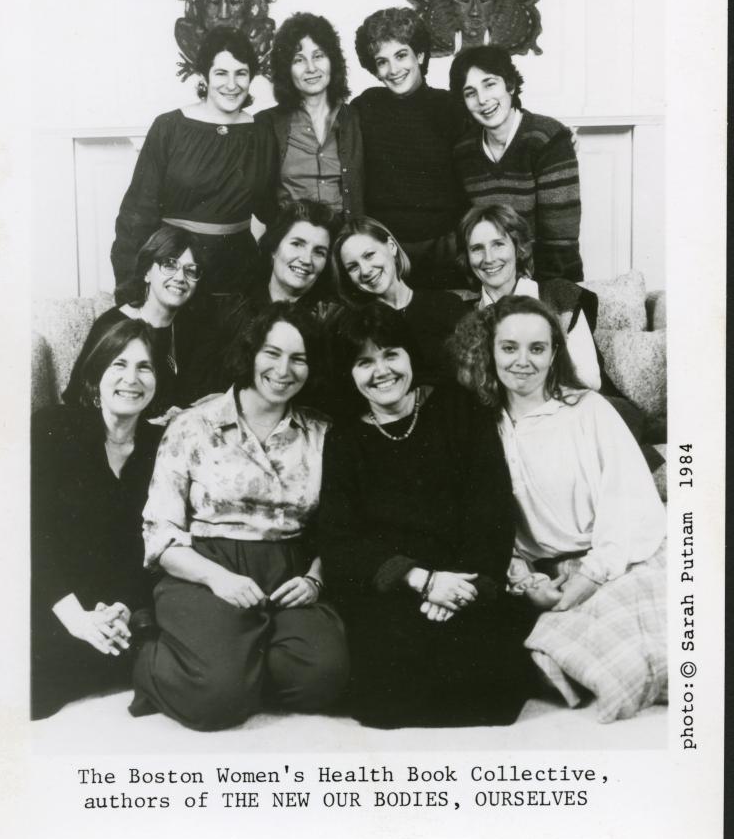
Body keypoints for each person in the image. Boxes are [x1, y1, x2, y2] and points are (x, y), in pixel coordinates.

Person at [130, 303, 349, 730]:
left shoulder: (322, 432)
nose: (284, 369)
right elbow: (160, 532)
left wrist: (315, 578)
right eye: (272, 353)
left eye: (299, 358)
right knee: (215, 700)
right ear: (249, 352)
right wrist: (218, 579)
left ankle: (237, 664)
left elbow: (342, 528)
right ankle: (157, 656)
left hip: (292, 570)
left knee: (323, 681)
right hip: (207, 568)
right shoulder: (193, 425)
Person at [318, 303, 534, 729]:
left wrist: (462, 586)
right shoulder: (344, 437)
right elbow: (339, 539)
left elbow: (491, 508)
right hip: (394, 586)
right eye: (364, 362)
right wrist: (421, 580)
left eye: (390, 354)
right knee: (380, 702)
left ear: (410, 355)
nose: (382, 371)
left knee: (499, 695)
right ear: (349, 373)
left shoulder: (460, 409)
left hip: (466, 579)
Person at [460, 295, 666, 722]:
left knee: (656, 651)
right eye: (509, 347)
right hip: (547, 576)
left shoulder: (587, 410)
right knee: (538, 658)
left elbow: (628, 503)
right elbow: (486, 521)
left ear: (555, 353)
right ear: (490, 351)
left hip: (620, 560)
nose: (523, 361)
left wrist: (591, 577)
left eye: (537, 348)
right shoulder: (479, 426)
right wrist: (523, 577)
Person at [31, 319, 162, 719]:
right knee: (31, 690)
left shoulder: (162, 446)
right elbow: (31, 533)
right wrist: (75, 617)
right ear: (96, 373)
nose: (131, 378)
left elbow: (149, 543)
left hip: (117, 608)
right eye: (118, 365)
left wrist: (121, 606)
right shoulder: (53, 427)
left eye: (144, 367)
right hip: (54, 598)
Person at [111, 26, 278, 305]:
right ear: (204, 76)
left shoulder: (261, 132)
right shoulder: (170, 127)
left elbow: (271, 208)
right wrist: (130, 289)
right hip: (174, 269)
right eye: (221, 73)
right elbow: (136, 215)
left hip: (238, 273)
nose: (232, 84)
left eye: (241, 73)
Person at [179, 199, 339, 403]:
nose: (306, 259)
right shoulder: (229, 308)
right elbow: (197, 388)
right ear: (274, 249)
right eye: (297, 244)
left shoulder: (330, 320)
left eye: (319, 252)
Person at [450, 45, 584, 283]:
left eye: (490, 84)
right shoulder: (464, 152)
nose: (482, 100)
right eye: (470, 93)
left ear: (509, 85)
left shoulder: (548, 139)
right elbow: (471, 236)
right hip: (492, 283)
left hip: (551, 283)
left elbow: (560, 243)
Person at [353, 7, 466, 287]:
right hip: (382, 252)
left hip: (444, 249)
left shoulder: (451, 106)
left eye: (401, 55)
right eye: (382, 62)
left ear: (421, 55)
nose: (393, 70)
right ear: (374, 69)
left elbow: (498, 121)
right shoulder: (365, 106)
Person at [452, 204, 601, 389]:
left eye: (498, 244)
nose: (489, 258)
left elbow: (589, 381)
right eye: (477, 248)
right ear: (466, 257)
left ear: (517, 247)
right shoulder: (464, 317)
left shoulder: (560, 297)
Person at [65, 225, 201, 419]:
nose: (180, 277)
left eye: (190, 270)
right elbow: (79, 399)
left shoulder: (190, 327)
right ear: (147, 272)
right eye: (169, 265)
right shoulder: (113, 325)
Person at [331, 215, 465, 387]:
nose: (364, 271)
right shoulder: (354, 326)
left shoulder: (447, 305)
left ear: (392, 247)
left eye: (369, 255)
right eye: (353, 267)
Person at [255, 12, 363, 218]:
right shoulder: (267, 123)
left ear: (332, 60)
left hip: (346, 239)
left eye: (318, 56)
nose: (311, 68)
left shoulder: (356, 118)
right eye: (299, 59)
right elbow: (260, 200)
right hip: (292, 238)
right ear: (286, 69)